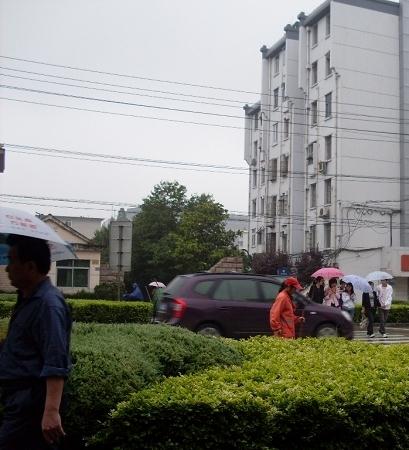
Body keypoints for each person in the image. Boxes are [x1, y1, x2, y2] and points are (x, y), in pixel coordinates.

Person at [0, 234, 72, 450]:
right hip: (17, 401)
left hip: (31, 405)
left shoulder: (48, 305)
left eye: (12, 260)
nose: (7, 268)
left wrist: (50, 412)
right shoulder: (27, 299)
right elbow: (25, 345)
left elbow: (56, 360)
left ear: (30, 266)